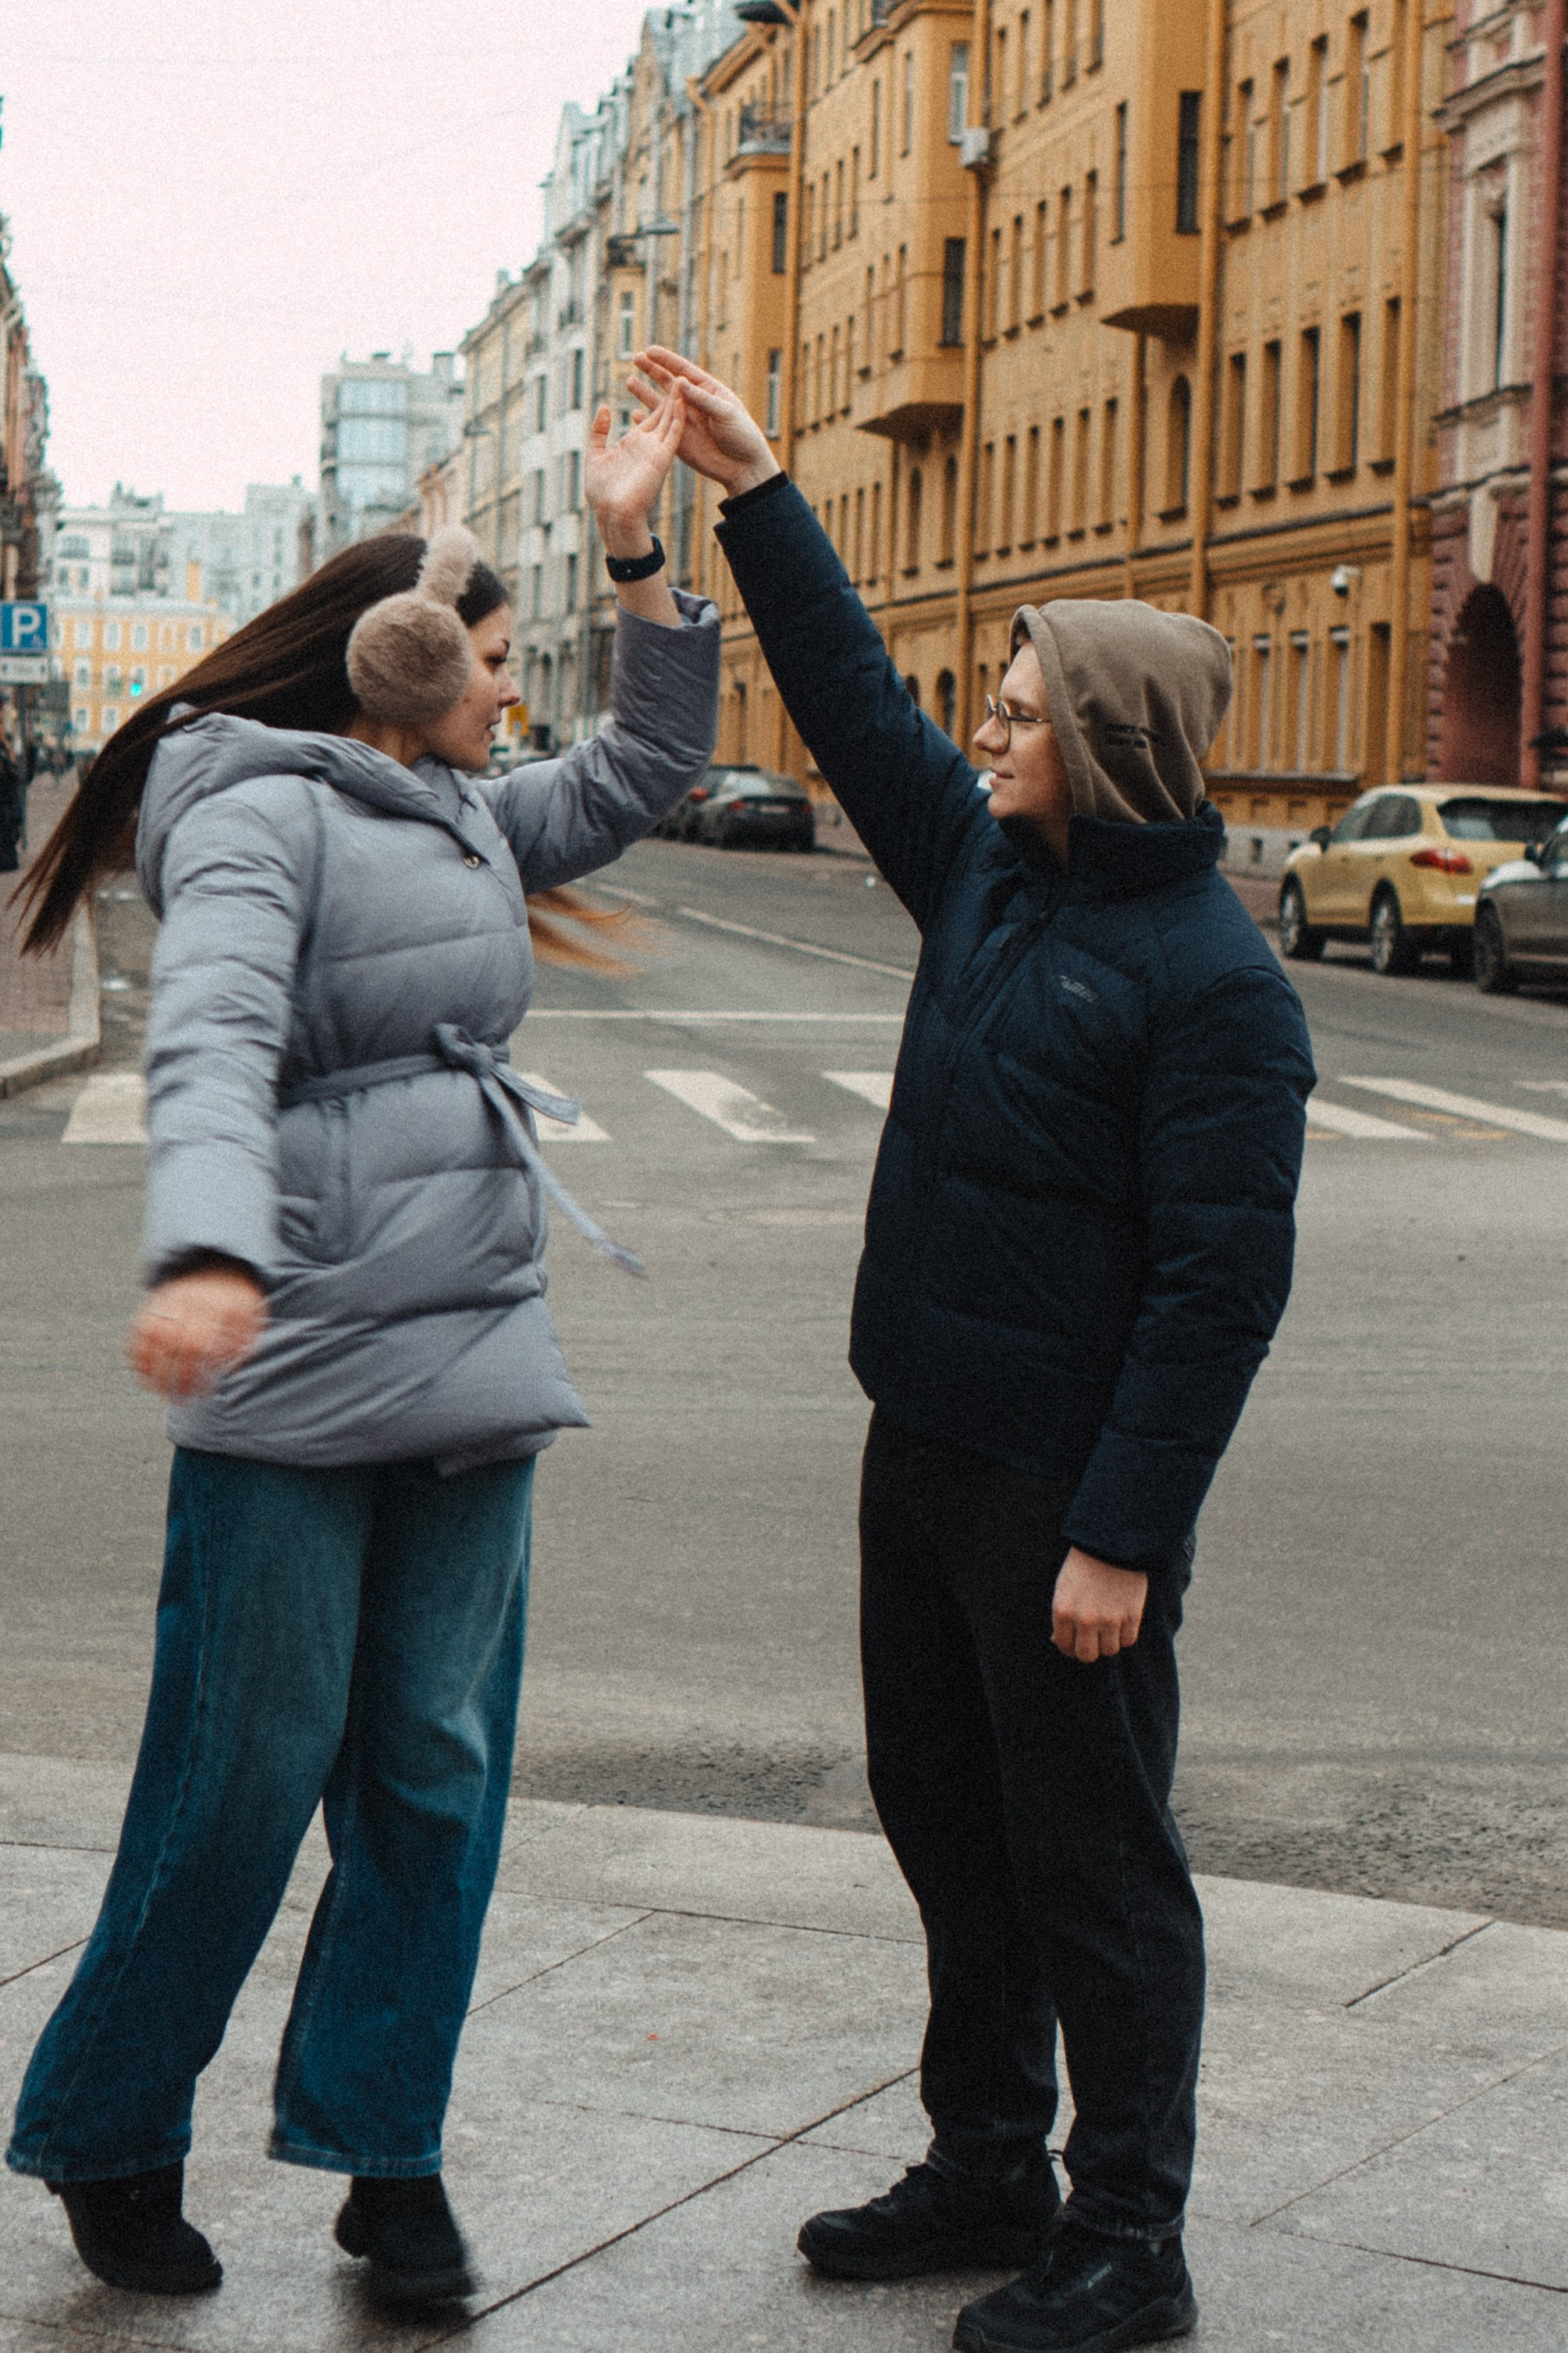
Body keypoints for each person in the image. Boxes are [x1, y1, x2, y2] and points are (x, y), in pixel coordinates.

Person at [631, 348, 1315, 2353]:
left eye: (1016, 713)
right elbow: (849, 703)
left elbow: (1221, 1291)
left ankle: (1131, 2239)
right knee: (947, 1817)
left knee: (1098, 1866)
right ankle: (988, 2158)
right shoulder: (997, 881)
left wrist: (1121, 1533)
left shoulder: (1216, 990)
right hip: (921, 1446)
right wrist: (757, 488)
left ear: (1100, 742)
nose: (984, 734)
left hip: (1065, 1499)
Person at [5, 386, 719, 2307]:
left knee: (431, 1767)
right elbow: (217, 1038)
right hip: (299, 1370)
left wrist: (638, 539)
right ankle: (110, 2118)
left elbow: (655, 754)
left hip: (475, 1361)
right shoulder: (250, 818)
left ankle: (385, 2156)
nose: (514, 698)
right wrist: (212, 1245)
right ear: (391, 670)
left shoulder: (475, 815)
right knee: (241, 1775)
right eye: (493, 664)